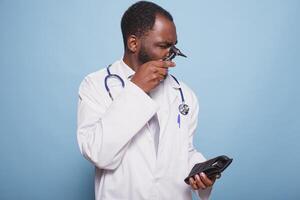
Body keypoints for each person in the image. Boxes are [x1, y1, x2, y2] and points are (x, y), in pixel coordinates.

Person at [77, 1, 216, 199]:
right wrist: (136, 89)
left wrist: (200, 172)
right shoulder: (95, 85)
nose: (171, 54)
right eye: (163, 46)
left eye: (174, 46)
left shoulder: (184, 93)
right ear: (133, 43)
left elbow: (183, 151)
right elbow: (97, 153)